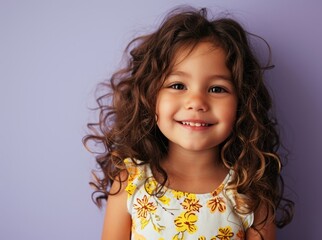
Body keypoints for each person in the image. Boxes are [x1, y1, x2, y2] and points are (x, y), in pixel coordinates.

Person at [83, 6, 294, 240]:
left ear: (242, 104)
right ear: (150, 96)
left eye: (217, 89)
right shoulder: (131, 182)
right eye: (177, 85)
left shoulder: (249, 193)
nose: (196, 102)